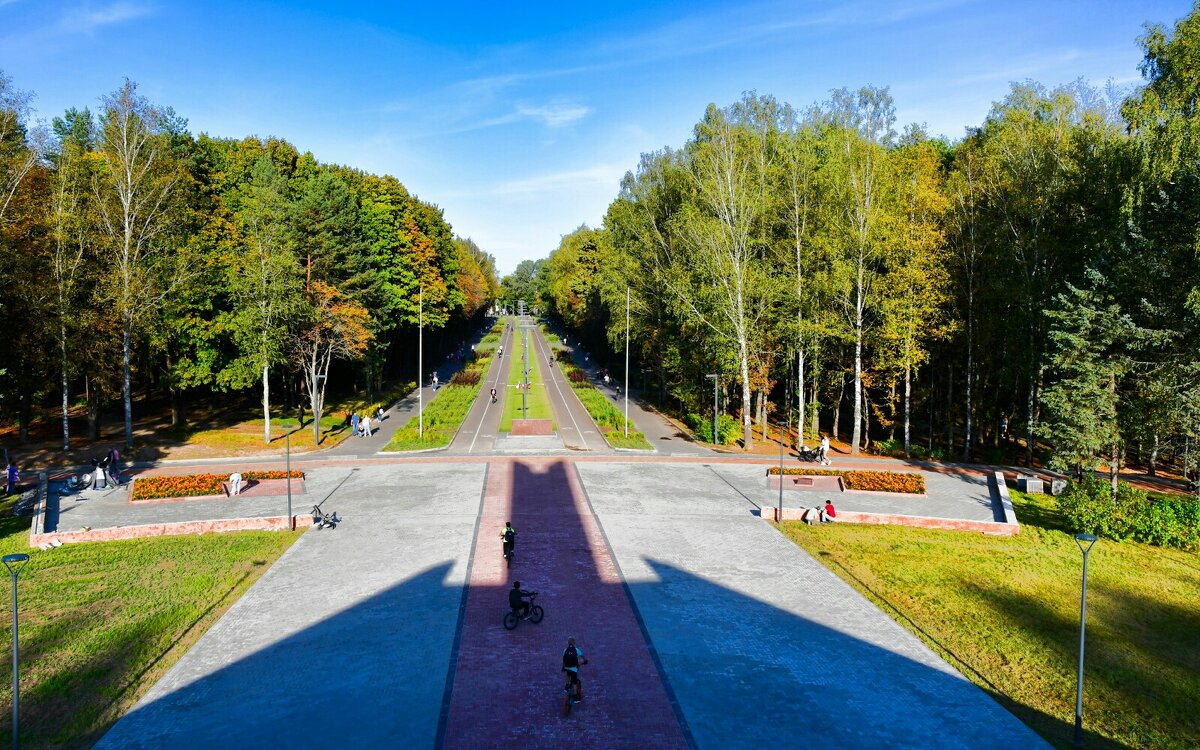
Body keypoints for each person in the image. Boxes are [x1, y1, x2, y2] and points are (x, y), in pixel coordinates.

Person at [562, 637, 588, 703]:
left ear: (568, 643)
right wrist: (585, 661)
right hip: (574, 668)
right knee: (575, 682)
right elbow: (583, 657)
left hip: (566, 667)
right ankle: (576, 697)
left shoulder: (565, 650)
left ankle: (567, 686)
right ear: (574, 643)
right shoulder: (576, 650)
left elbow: (564, 659)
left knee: (568, 674)